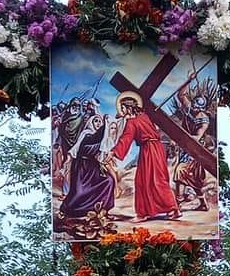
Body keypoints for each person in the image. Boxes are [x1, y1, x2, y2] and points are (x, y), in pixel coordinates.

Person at [106, 92, 181, 222]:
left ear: (128, 108)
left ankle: (147, 213)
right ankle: (166, 210)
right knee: (156, 179)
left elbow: (125, 139)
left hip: (149, 150)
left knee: (147, 180)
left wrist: (113, 152)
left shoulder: (131, 122)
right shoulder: (145, 116)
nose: (120, 110)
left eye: (122, 108)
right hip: (157, 148)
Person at [56, 98, 116, 228]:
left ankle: (103, 210)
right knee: (79, 193)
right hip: (82, 168)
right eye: (96, 121)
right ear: (90, 122)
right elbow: (79, 148)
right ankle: (66, 210)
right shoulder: (87, 134)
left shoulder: (98, 136)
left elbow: (103, 142)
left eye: (99, 122)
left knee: (109, 181)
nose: (98, 123)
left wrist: (104, 123)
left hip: (93, 167)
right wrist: (105, 122)